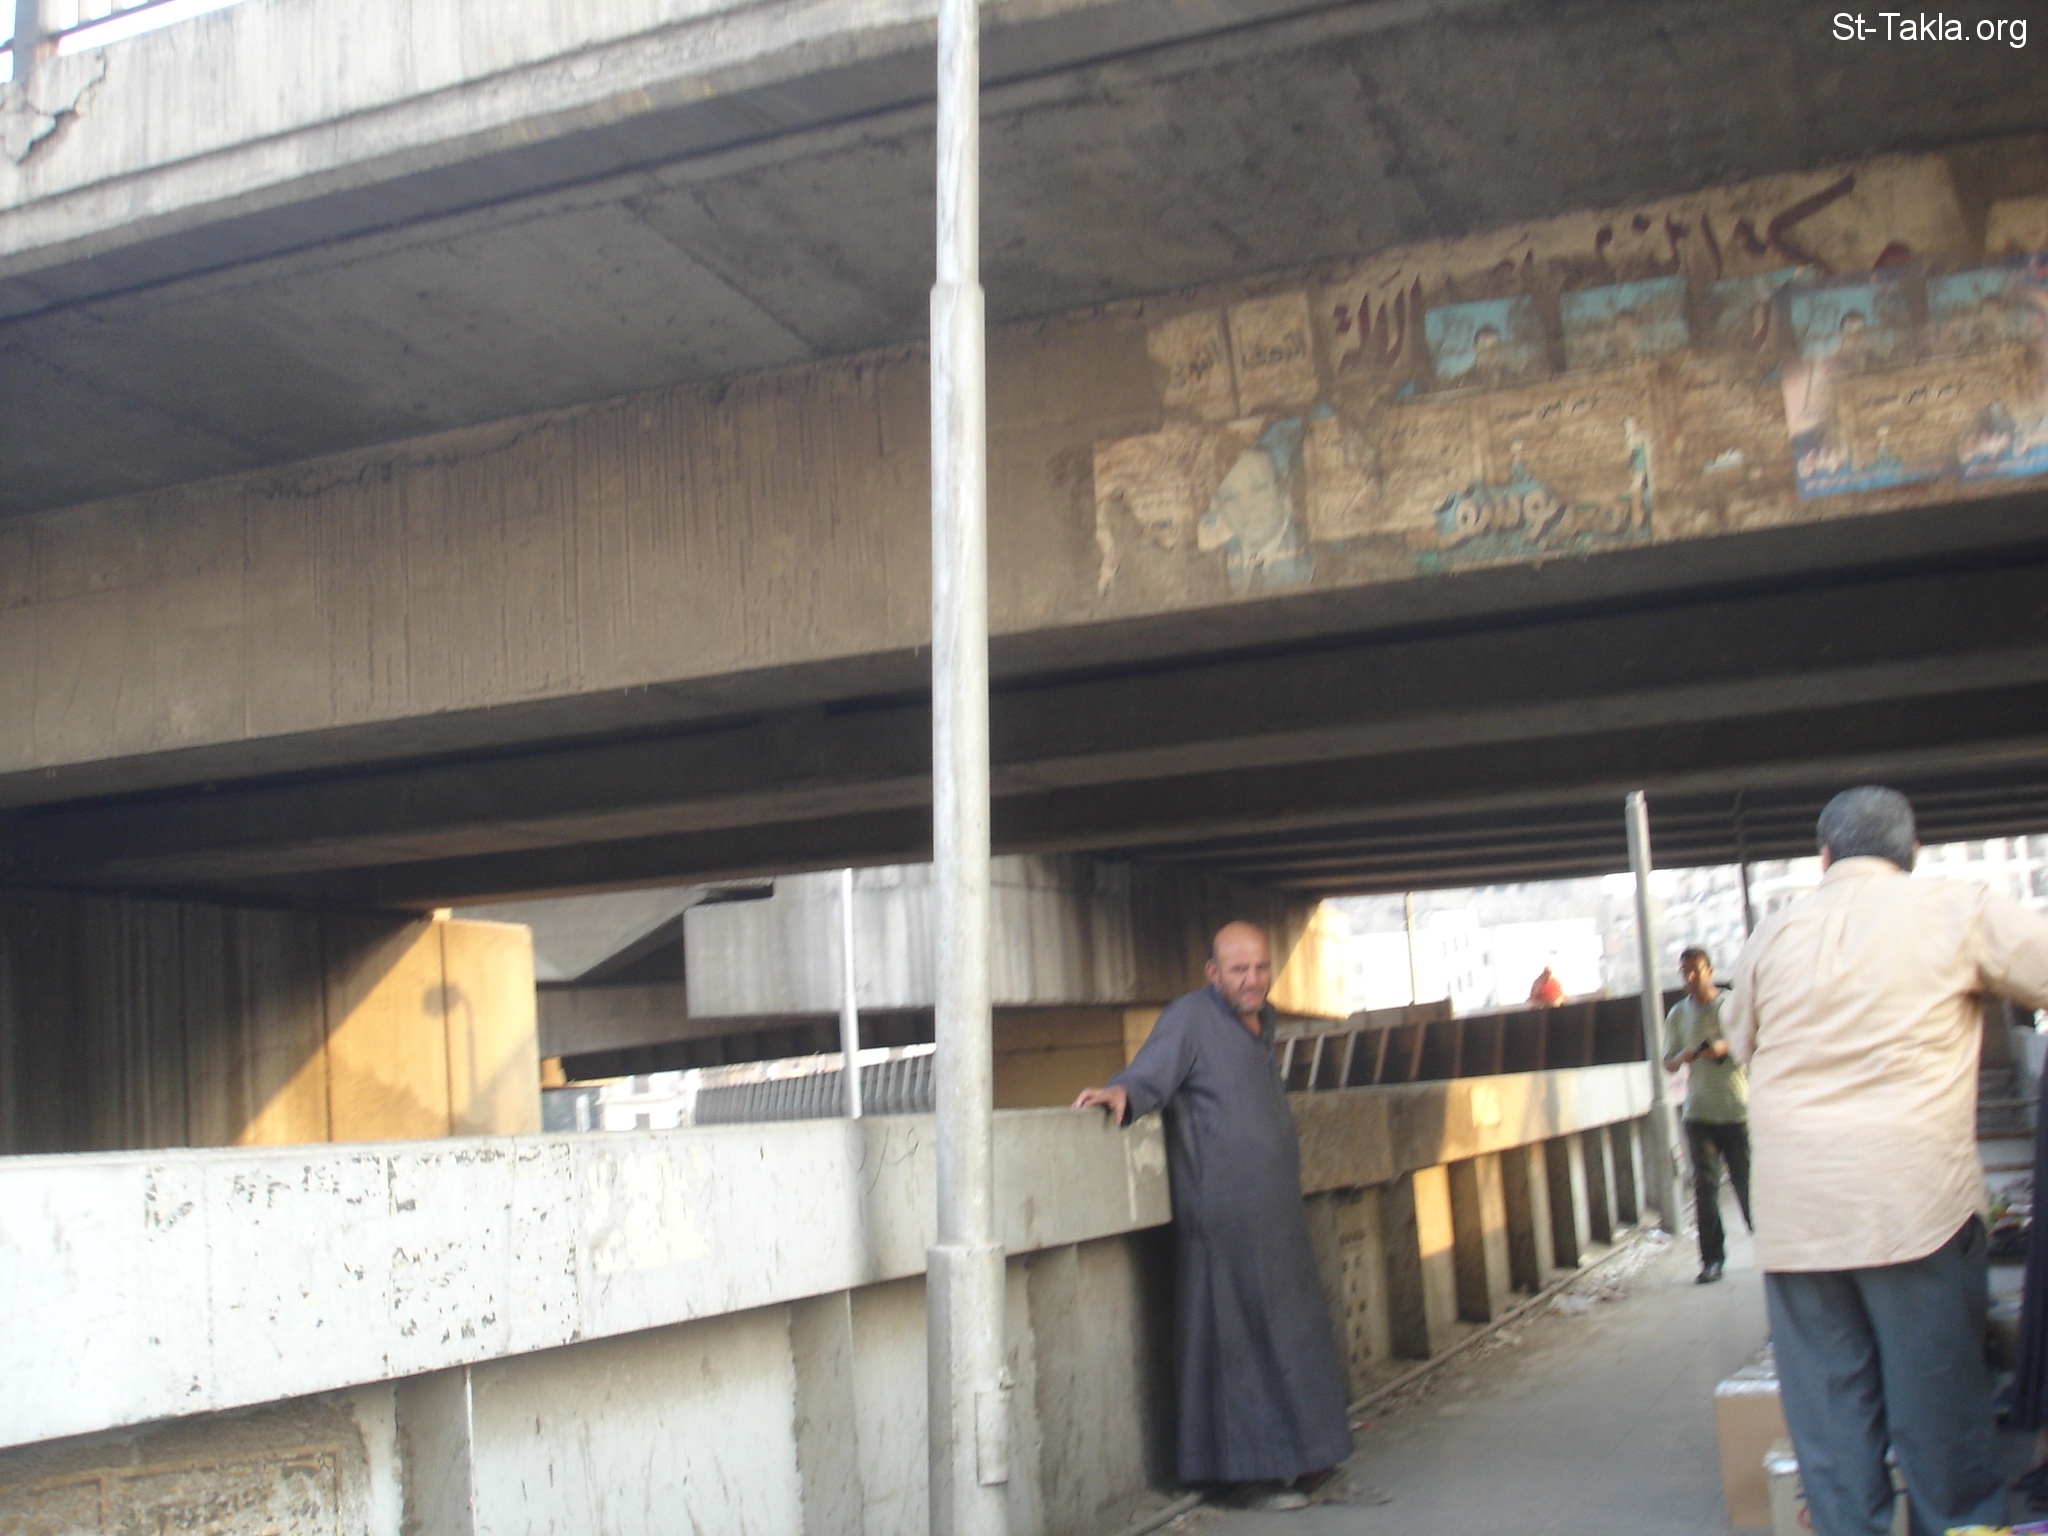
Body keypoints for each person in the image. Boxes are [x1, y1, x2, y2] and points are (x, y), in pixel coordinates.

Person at [1725, 786, 2048, 1536]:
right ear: (1913, 854)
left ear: (1824, 857)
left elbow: (1742, 1042)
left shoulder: (1773, 932)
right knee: (1942, 1422)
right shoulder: (1955, 909)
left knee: (1833, 1433)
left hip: (1799, 1221)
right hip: (1914, 1208)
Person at [1072, 921, 1351, 1511]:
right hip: (1222, 1217)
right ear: (1213, 973)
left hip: (1274, 1213)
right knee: (1236, 1344)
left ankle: (1307, 1457)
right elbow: (1150, 1073)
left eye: (1261, 968)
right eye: (1239, 970)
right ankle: (1241, 1478)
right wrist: (1121, 1093)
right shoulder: (1189, 1018)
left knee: (1292, 1333)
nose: (1252, 980)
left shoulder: (1262, 1020)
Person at [1661, 946, 1750, 1284]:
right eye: (1685, 972)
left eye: (1696, 970)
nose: (1690, 978)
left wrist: (1723, 1047)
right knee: (1705, 1187)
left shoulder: (1730, 1004)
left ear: (1710, 971)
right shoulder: (1678, 1014)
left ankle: (1771, 1248)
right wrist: (1684, 1056)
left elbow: (1751, 1041)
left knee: (1747, 1183)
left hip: (1735, 1109)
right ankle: (1712, 1260)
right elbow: (1668, 1063)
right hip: (1699, 1112)